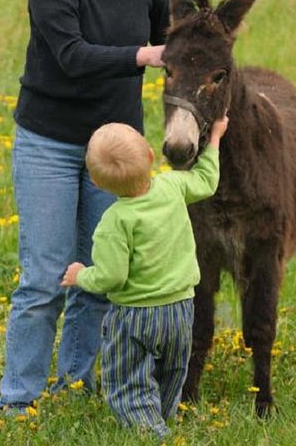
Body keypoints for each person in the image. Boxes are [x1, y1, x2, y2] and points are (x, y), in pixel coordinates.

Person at [0, 0, 170, 412]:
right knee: (45, 278)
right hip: (50, 139)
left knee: (100, 276)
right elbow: (70, 56)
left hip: (117, 148)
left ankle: (77, 383)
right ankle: (18, 400)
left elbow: (171, 38)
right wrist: (143, 56)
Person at [60, 117, 228, 439]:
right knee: (171, 372)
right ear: (151, 156)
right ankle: (162, 418)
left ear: (96, 183)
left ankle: (152, 434)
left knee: (127, 381)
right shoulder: (172, 186)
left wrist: (81, 276)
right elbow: (207, 181)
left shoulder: (115, 221)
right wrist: (216, 138)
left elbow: (111, 277)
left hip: (135, 316)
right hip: (180, 309)